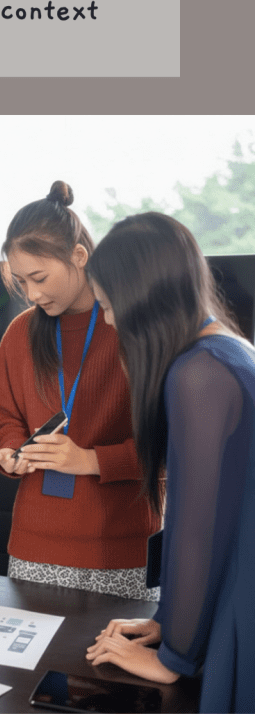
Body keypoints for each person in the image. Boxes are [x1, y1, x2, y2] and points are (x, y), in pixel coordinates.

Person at [85, 213, 255, 713]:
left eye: (109, 306)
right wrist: (170, 621)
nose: (110, 320)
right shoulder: (229, 348)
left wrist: (175, 655)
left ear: (142, 303)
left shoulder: (198, 375)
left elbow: (199, 532)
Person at [0, 181, 160, 598]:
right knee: (33, 664)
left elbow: (166, 445)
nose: (31, 294)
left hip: (122, 548)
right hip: (34, 546)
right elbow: (8, 418)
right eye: (20, 281)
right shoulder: (19, 333)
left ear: (79, 257)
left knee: (109, 663)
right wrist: (10, 451)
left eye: (39, 277)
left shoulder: (132, 328)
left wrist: (89, 460)